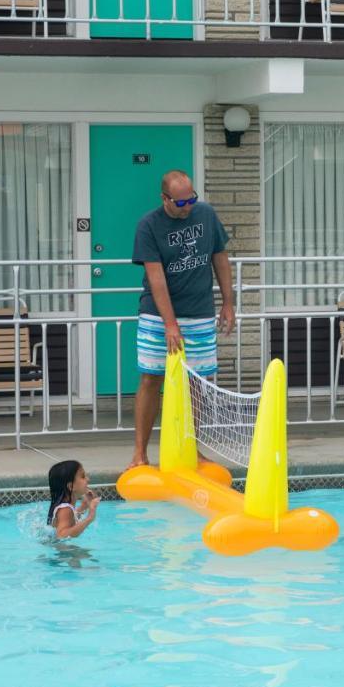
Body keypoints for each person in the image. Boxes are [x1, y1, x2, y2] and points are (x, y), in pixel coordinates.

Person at [129, 170, 235, 469]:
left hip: (199, 312)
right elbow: (156, 277)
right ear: (165, 199)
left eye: (192, 198)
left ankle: (192, 449)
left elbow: (220, 258)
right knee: (152, 378)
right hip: (157, 314)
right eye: (181, 201)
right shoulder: (148, 226)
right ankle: (140, 453)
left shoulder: (206, 215)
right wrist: (170, 324)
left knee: (197, 384)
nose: (188, 206)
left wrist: (228, 303)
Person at [47, 460, 100, 539]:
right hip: (61, 548)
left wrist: (84, 506)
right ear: (71, 486)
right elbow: (61, 535)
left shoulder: (66, 507)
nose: (88, 479)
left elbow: (70, 521)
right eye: (83, 476)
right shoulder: (65, 509)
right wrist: (90, 517)